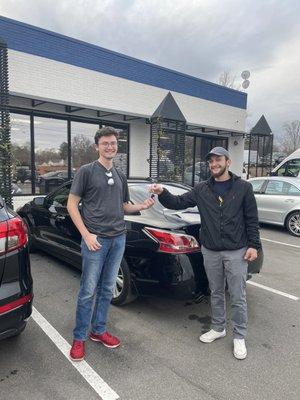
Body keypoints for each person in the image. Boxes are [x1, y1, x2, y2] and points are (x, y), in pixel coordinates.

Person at [150, 147, 261, 360]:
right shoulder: (201, 189)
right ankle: (218, 327)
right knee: (216, 292)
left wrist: (253, 245)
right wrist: (162, 191)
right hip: (210, 251)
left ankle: (239, 335)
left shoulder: (243, 188)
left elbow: (252, 220)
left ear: (227, 162)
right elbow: (177, 202)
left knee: (238, 295)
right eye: (211, 161)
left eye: (218, 160)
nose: (214, 164)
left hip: (236, 251)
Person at [67, 126, 155, 361]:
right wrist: (86, 235)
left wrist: (142, 207)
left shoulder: (119, 175)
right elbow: (71, 204)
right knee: (88, 291)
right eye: (105, 143)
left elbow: (123, 206)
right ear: (97, 146)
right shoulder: (86, 172)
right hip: (95, 241)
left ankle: (98, 331)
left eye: (113, 143)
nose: (110, 147)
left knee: (107, 289)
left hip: (118, 239)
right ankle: (79, 338)